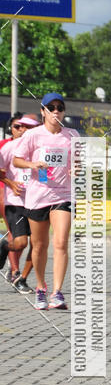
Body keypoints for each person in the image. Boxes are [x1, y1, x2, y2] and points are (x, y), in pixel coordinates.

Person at [13, 93, 79, 310]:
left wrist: (77, 169)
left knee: (61, 242)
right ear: (43, 111)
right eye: (51, 107)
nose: (56, 111)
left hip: (63, 196)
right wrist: (33, 165)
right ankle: (41, 287)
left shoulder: (72, 135)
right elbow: (17, 160)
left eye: (60, 107)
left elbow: (80, 162)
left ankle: (57, 292)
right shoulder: (33, 136)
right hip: (38, 196)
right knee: (39, 247)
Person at [0, 114, 40, 292]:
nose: (24, 130)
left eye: (29, 127)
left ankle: (22, 278)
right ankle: (4, 247)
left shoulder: (42, 149)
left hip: (39, 202)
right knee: (21, 242)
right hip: (16, 202)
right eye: (21, 126)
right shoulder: (9, 147)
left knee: (38, 244)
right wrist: (11, 183)